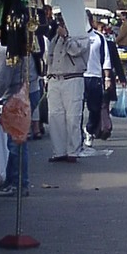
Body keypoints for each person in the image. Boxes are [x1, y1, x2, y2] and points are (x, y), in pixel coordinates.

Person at [0, 30, 32, 197]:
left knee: (15, 144)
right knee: (17, 142)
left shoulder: (4, 49)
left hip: (13, 98)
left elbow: (1, 81)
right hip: (19, 95)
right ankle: (17, 181)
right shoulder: (15, 45)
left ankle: (17, 183)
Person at [45, 16, 89, 163]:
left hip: (72, 78)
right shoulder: (55, 37)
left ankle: (73, 150)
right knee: (55, 116)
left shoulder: (82, 36)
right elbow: (49, 56)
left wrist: (66, 37)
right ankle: (59, 151)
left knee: (72, 117)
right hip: (55, 78)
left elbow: (76, 51)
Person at [82, 10, 111, 147]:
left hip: (94, 76)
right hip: (79, 76)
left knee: (94, 108)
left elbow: (106, 58)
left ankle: (89, 129)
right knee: (77, 109)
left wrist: (107, 78)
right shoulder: (74, 36)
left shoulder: (99, 37)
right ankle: (76, 135)